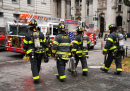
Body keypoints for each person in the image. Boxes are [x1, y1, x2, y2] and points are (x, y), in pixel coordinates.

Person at [23, 19, 48, 84]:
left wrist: (25, 51)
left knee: (33, 65)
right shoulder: (41, 34)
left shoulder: (28, 34)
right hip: (40, 52)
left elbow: (25, 45)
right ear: (36, 26)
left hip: (32, 52)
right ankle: (37, 75)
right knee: (38, 64)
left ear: (30, 27)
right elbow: (45, 44)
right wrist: (47, 53)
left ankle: (36, 78)